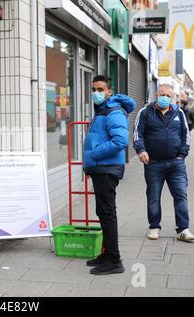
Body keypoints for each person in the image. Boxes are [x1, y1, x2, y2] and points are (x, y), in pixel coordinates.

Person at [83, 75, 135, 275]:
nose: (96, 93)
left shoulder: (113, 111)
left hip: (106, 168)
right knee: (103, 213)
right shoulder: (102, 110)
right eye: (94, 89)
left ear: (109, 91)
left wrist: (94, 154)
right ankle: (106, 254)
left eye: (100, 89)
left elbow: (120, 141)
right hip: (101, 168)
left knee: (107, 214)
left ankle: (114, 260)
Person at [133, 84, 194, 242]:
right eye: (162, 94)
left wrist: (182, 155)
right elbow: (137, 134)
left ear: (172, 97)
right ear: (156, 95)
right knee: (153, 196)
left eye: (168, 95)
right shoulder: (146, 112)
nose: (165, 98)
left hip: (176, 164)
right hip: (153, 163)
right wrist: (141, 151)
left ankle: (183, 229)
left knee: (181, 195)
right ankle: (154, 227)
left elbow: (185, 135)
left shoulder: (179, 112)